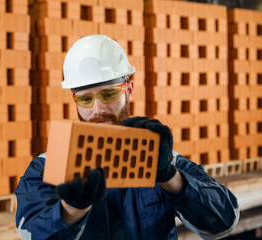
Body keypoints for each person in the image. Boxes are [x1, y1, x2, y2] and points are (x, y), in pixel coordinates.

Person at [15, 34, 239, 239]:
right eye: (85, 99)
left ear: (129, 89)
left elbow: (224, 222)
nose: (98, 109)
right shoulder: (47, 169)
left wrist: (171, 178)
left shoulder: (163, 160)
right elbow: (31, 233)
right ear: (75, 101)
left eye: (109, 94)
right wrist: (72, 210)